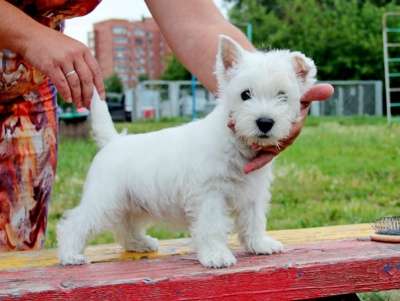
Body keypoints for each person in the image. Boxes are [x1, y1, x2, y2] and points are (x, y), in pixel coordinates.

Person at [0, 0, 333, 251]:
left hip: (25, 95)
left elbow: (195, 21)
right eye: (248, 95)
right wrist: (30, 36)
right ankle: (74, 237)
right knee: (104, 205)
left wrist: (257, 74)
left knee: (14, 247)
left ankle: (243, 235)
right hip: (38, 63)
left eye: (279, 98)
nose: (264, 111)